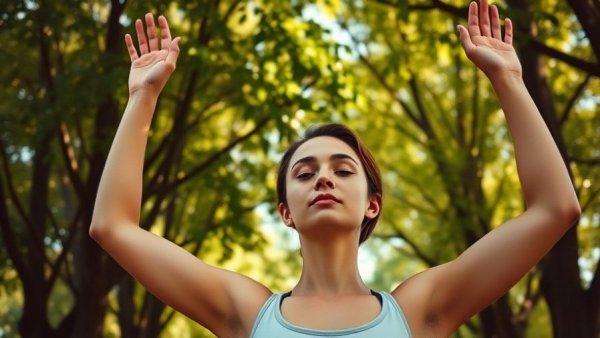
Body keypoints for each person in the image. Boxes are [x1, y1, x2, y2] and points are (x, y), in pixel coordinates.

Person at [90, 0, 581, 336]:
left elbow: (555, 209)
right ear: (286, 212)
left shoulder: (420, 310)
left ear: (373, 203)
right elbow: (112, 226)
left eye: (343, 169)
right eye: (303, 173)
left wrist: (509, 80)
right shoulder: (245, 313)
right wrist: (143, 96)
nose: (322, 176)